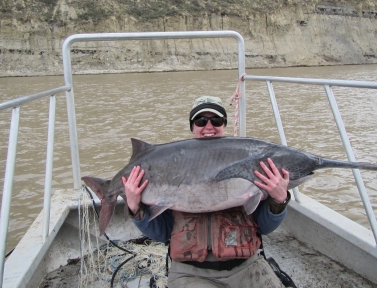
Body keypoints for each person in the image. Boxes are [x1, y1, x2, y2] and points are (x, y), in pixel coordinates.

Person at [122, 96, 291, 288]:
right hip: (190, 274)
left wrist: (279, 201)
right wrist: (135, 207)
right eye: (201, 121)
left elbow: (265, 227)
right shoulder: (169, 167)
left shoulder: (251, 162)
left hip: (247, 267)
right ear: (192, 127)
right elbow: (161, 233)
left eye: (216, 121)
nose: (209, 126)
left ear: (224, 125)